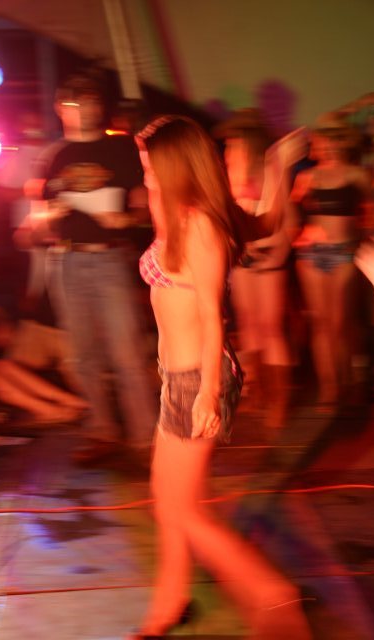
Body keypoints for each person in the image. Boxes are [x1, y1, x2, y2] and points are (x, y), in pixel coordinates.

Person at [127, 116, 312, 639]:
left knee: (183, 510)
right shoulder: (173, 208)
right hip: (176, 377)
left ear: (174, 166)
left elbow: (213, 318)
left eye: (150, 165)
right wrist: (278, 168)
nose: (144, 174)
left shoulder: (201, 226)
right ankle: (170, 603)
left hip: (198, 380)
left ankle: (274, 598)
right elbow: (267, 220)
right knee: (167, 500)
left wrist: (207, 394)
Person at [15, 72, 158, 462]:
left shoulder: (121, 149)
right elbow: (35, 221)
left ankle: (146, 435)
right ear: (61, 108)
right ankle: (102, 430)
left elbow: (144, 207)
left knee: (126, 350)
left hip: (109, 256)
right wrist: (45, 220)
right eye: (78, 102)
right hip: (65, 259)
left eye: (93, 101)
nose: (88, 108)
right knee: (82, 354)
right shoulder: (53, 156)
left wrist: (126, 220)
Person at [213, 108, 300, 429]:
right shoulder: (232, 171)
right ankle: (258, 391)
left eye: (234, 141)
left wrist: (272, 252)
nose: (229, 147)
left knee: (270, 328)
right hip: (244, 255)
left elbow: (283, 216)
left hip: (269, 254)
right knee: (249, 325)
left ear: (249, 140)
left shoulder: (272, 167)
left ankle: (278, 399)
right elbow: (232, 215)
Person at [290, 112, 372, 411]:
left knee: (341, 323)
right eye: (319, 139)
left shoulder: (357, 175)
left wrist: (360, 241)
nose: (322, 145)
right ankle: (330, 389)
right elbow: (290, 213)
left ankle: (349, 381)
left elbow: (372, 215)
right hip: (312, 255)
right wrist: (298, 233)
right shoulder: (307, 177)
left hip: (343, 252)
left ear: (340, 141)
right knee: (321, 324)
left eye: (327, 139)